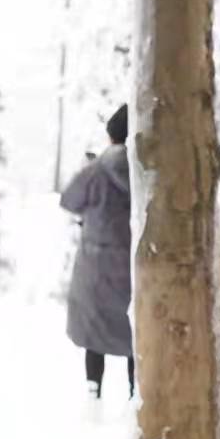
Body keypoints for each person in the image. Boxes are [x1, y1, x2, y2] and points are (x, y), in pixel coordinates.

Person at [60, 105, 133, 399]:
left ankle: (94, 390)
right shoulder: (149, 170)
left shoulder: (97, 170)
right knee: (134, 332)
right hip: (132, 267)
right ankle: (135, 391)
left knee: (95, 329)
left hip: (96, 265)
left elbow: (69, 200)